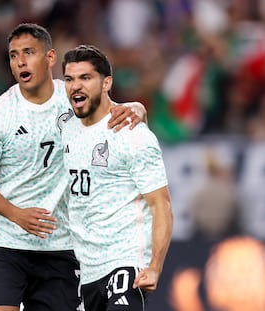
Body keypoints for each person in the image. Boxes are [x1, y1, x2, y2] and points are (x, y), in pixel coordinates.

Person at [0, 23, 146, 311]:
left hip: (60, 242)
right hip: (4, 238)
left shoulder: (75, 98)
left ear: (50, 58)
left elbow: (123, 111)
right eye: (14, 55)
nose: (21, 61)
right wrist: (17, 215)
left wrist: (138, 108)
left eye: (29, 52)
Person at [60, 45, 173, 311]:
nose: (76, 86)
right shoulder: (64, 126)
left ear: (106, 82)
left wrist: (155, 266)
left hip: (125, 261)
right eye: (69, 79)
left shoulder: (131, 133)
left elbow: (161, 205)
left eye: (85, 78)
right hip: (84, 268)